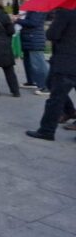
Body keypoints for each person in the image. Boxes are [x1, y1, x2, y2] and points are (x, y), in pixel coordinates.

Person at [26, 7, 76, 141]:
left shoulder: (65, 12)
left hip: (67, 62)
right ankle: (70, 112)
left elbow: (52, 35)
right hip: (68, 62)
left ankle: (47, 131)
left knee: (56, 99)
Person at [14, 0, 49, 95]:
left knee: (38, 63)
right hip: (28, 38)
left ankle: (46, 86)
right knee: (28, 62)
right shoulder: (28, 7)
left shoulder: (38, 6)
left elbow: (33, 23)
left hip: (35, 39)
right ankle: (31, 81)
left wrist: (17, 20)